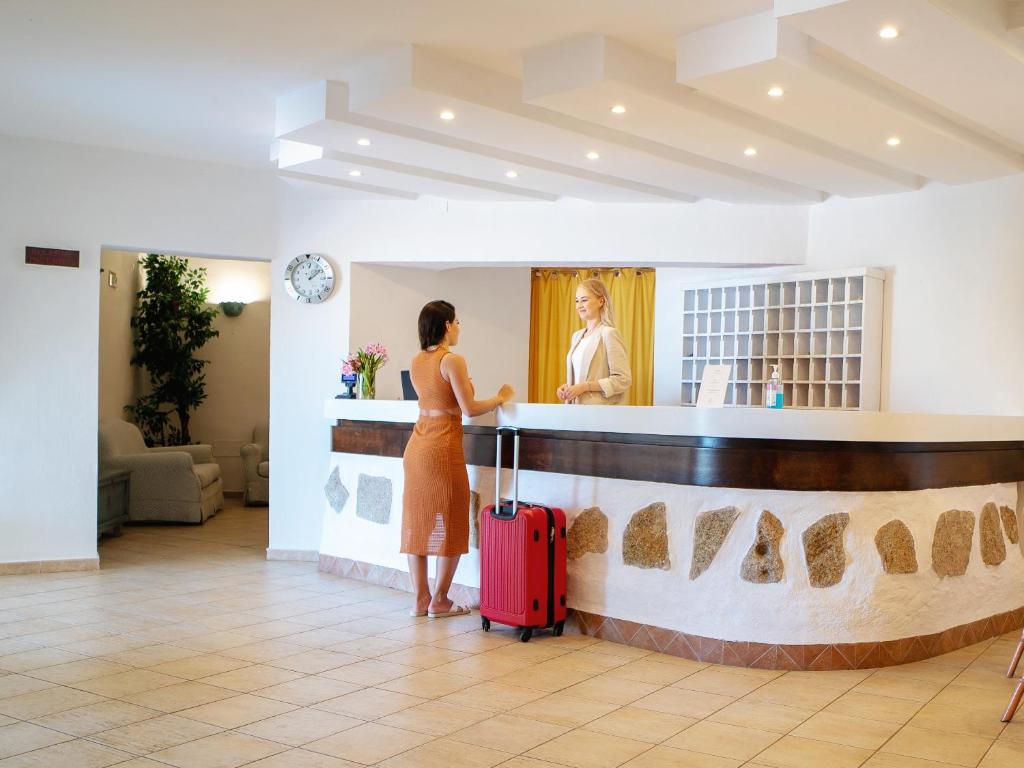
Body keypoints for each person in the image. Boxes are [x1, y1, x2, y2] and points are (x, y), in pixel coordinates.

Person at [401, 300, 514, 618]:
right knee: (451, 521)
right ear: (447, 325)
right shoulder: (452, 360)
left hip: (417, 447)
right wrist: (500, 397)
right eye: (458, 322)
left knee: (417, 525)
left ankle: (421, 600)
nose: (460, 327)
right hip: (442, 449)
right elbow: (469, 408)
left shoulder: (416, 361)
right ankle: (440, 599)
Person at [556, 278, 632, 405]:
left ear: (601, 301)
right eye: (577, 301)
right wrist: (567, 388)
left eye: (584, 300)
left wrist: (585, 387)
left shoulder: (609, 333)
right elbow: (580, 376)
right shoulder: (577, 336)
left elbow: (623, 380)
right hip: (574, 410)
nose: (579, 305)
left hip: (599, 413)